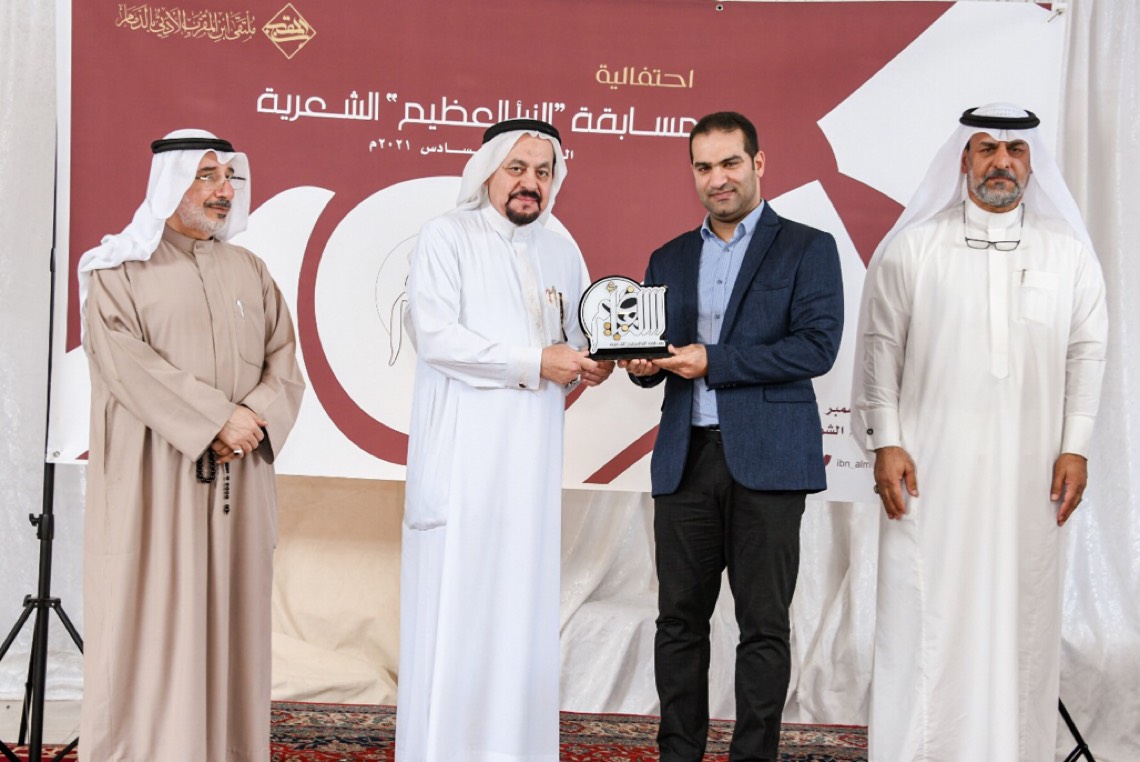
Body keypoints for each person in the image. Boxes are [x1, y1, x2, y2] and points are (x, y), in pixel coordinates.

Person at [851, 103, 1108, 761]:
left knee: (1023, 611)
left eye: (1014, 151)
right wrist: (885, 441)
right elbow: (880, 349)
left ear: (1032, 164)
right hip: (928, 472)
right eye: (987, 148)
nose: (1001, 163)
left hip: (1032, 473)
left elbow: (1087, 353)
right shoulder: (914, 248)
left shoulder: (1068, 255)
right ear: (964, 158)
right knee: (924, 611)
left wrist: (1076, 446)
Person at [621, 111, 844, 762]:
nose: (717, 179)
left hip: (770, 463)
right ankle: (678, 754)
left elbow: (817, 347)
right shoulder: (668, 257)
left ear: (758, 163)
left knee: (764, 628)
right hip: (684, 461)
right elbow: (656, 353)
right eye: (703, 167)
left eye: (729, 163)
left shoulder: (807, 247)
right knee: (678, 623)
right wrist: (641, 365)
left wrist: (714, 360)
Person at [78, 129, 305, 761]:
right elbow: (126, 364)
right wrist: (216, 420)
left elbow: (284, 363)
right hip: (156, 480)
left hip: (240, 479)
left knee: (234, 621)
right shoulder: (117, 271)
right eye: (206, 176)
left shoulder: (250, 271)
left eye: (229, 177)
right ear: (170, 183)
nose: (223, 190)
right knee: (151, 615)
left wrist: (252, 419)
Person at [396, 118, 614, 762]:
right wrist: (534, 361)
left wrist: (591, 363)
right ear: (488, 171)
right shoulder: (447, 236)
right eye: (517, 168)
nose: (530, 183)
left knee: (521, 608)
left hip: (532, 466)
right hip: (464, 465)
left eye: (543, 172)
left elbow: (574, 341)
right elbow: (437, 338)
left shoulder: (561, 250)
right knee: (460, 610)